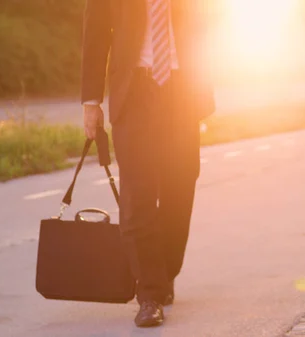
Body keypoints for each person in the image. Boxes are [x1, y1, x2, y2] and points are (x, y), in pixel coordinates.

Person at [80, 0, 215, 328]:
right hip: (134, 91)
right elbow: (96, 32)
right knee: (138, 193)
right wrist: (91, 101)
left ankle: (164, 271)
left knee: (180, 185)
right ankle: (149, 294)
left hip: (182, 91)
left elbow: (206, 25)